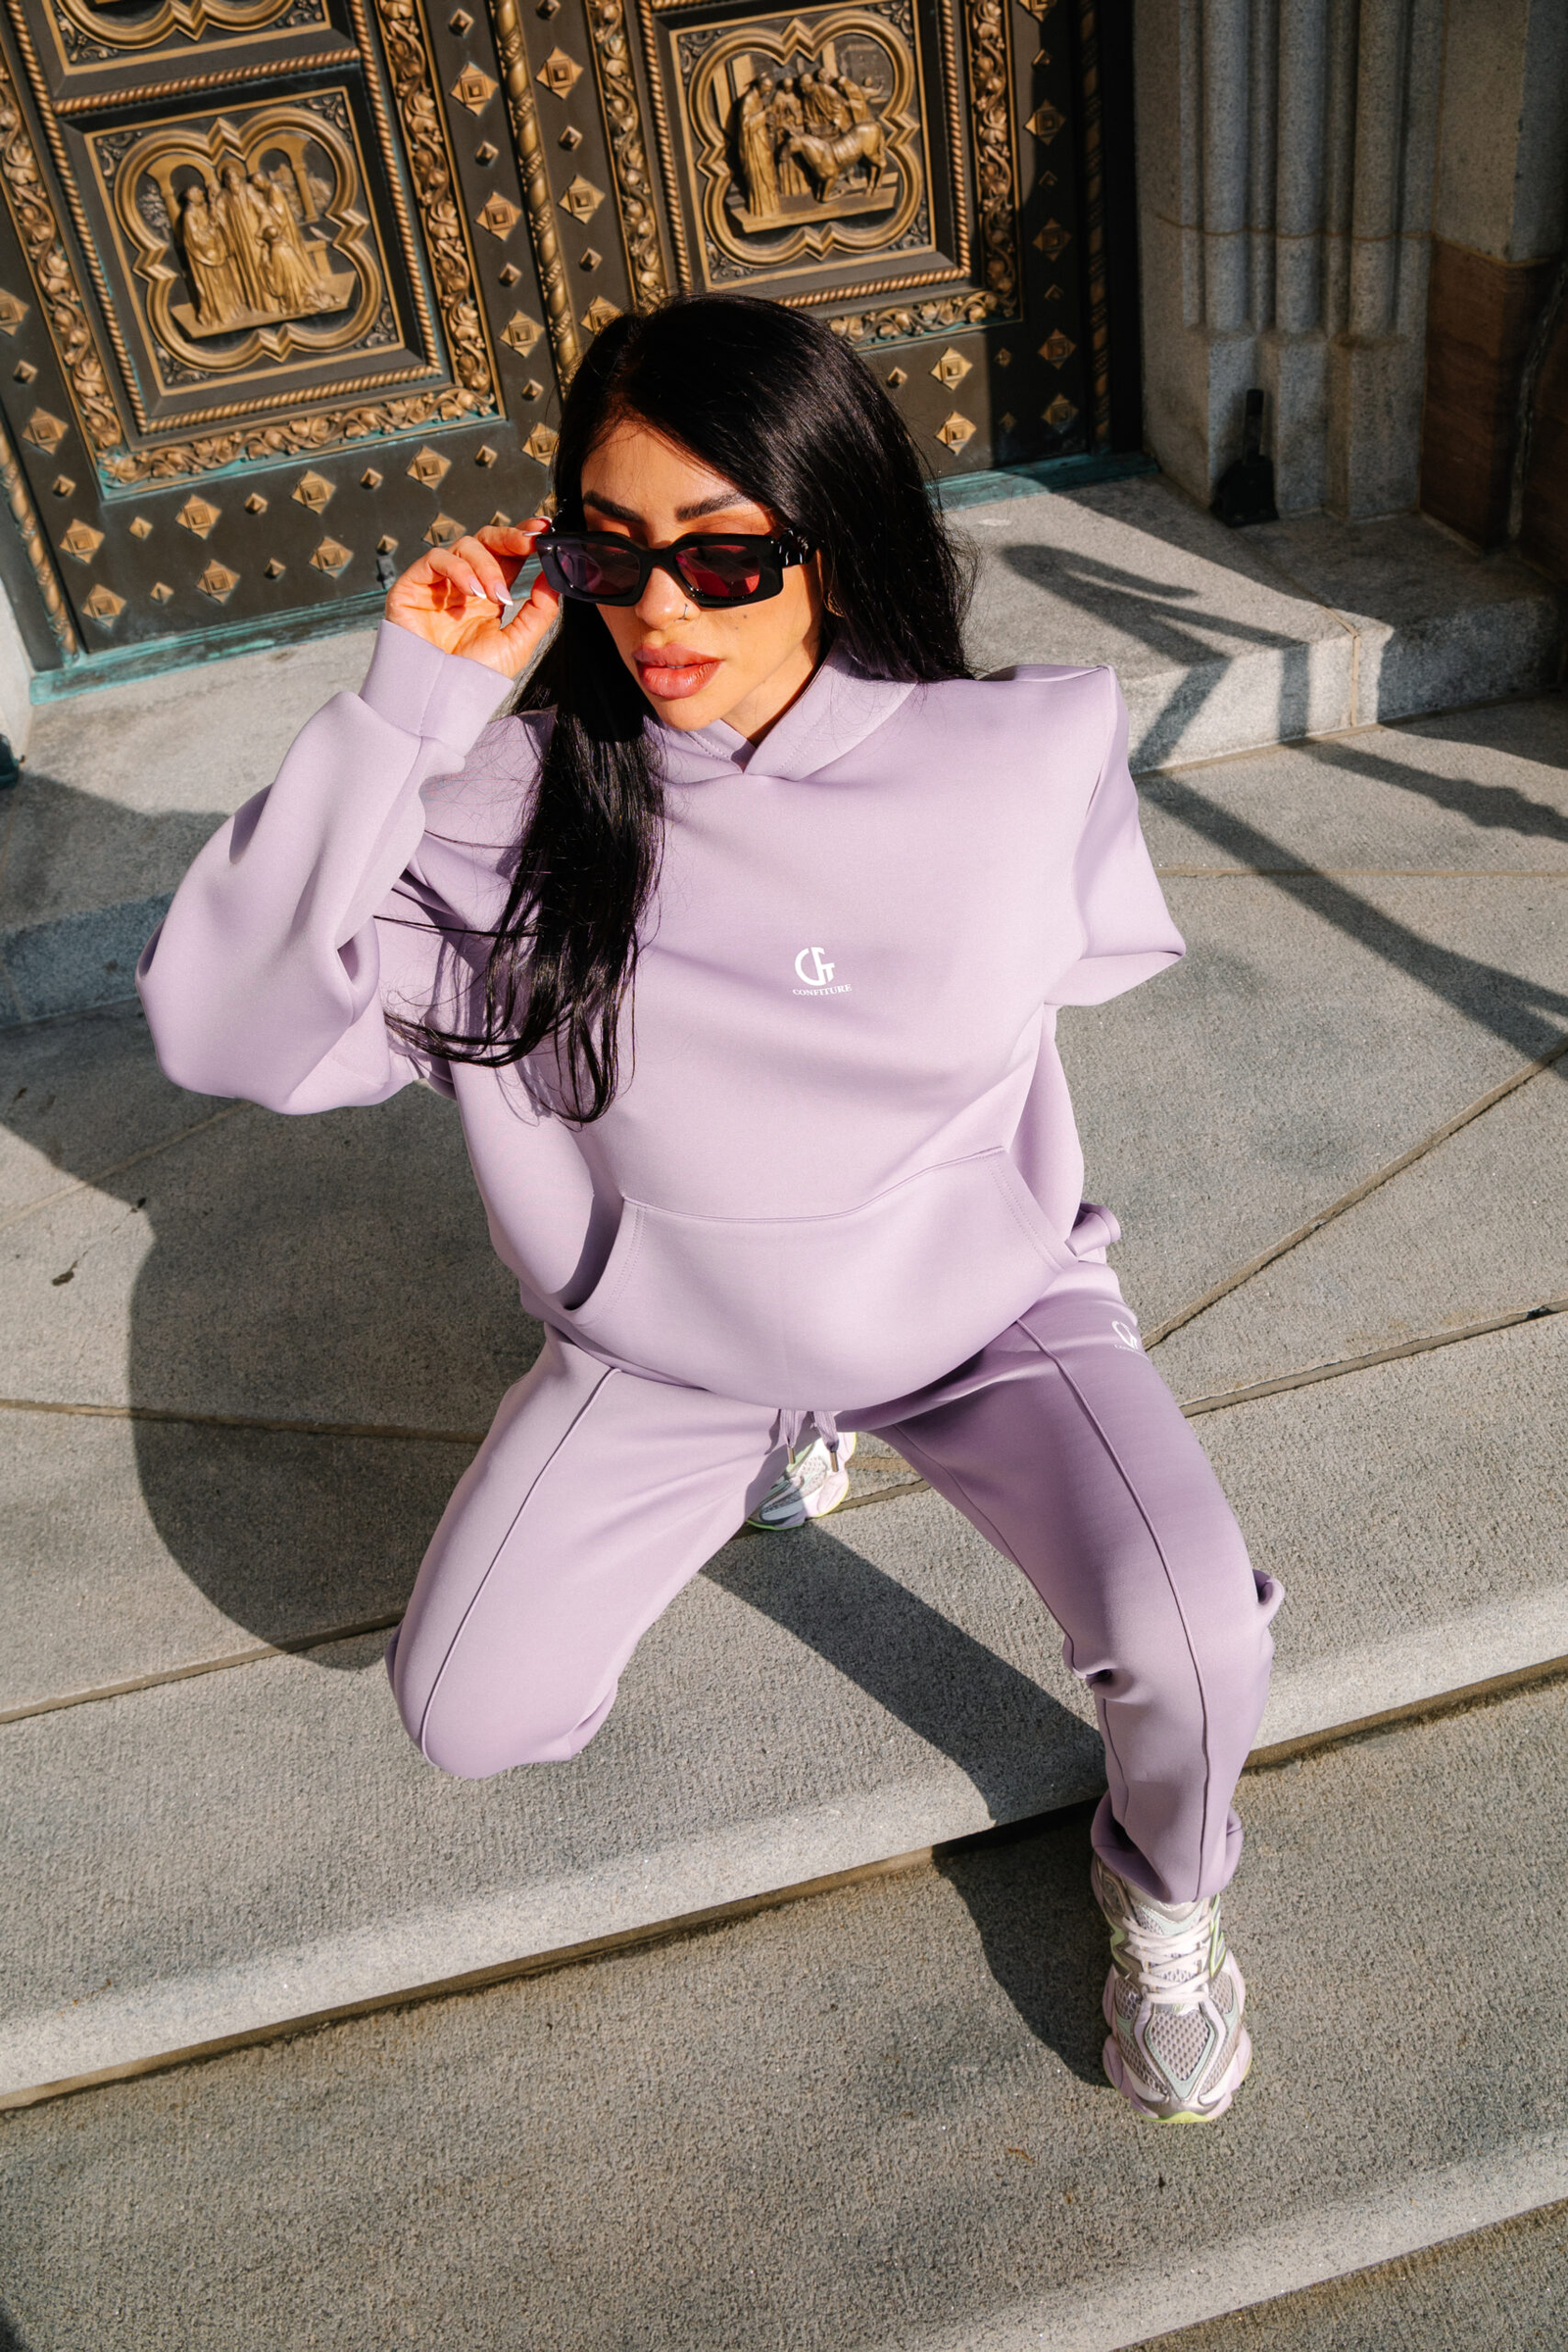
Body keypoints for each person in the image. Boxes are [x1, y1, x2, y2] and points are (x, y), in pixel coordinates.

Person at [138, 294, 1281, 2125]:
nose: (661, 611)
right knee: (466, 1716)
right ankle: (785, 1429)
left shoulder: (1031, 754)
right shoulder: (505, 810)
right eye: (610, 552)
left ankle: (1169, 1900)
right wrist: (403, 708)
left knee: (1199, 1625)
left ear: (837, 541)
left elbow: (1047, 995)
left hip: (983, 1315)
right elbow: (224, 1032)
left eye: (728, 555)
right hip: (661, 1357)